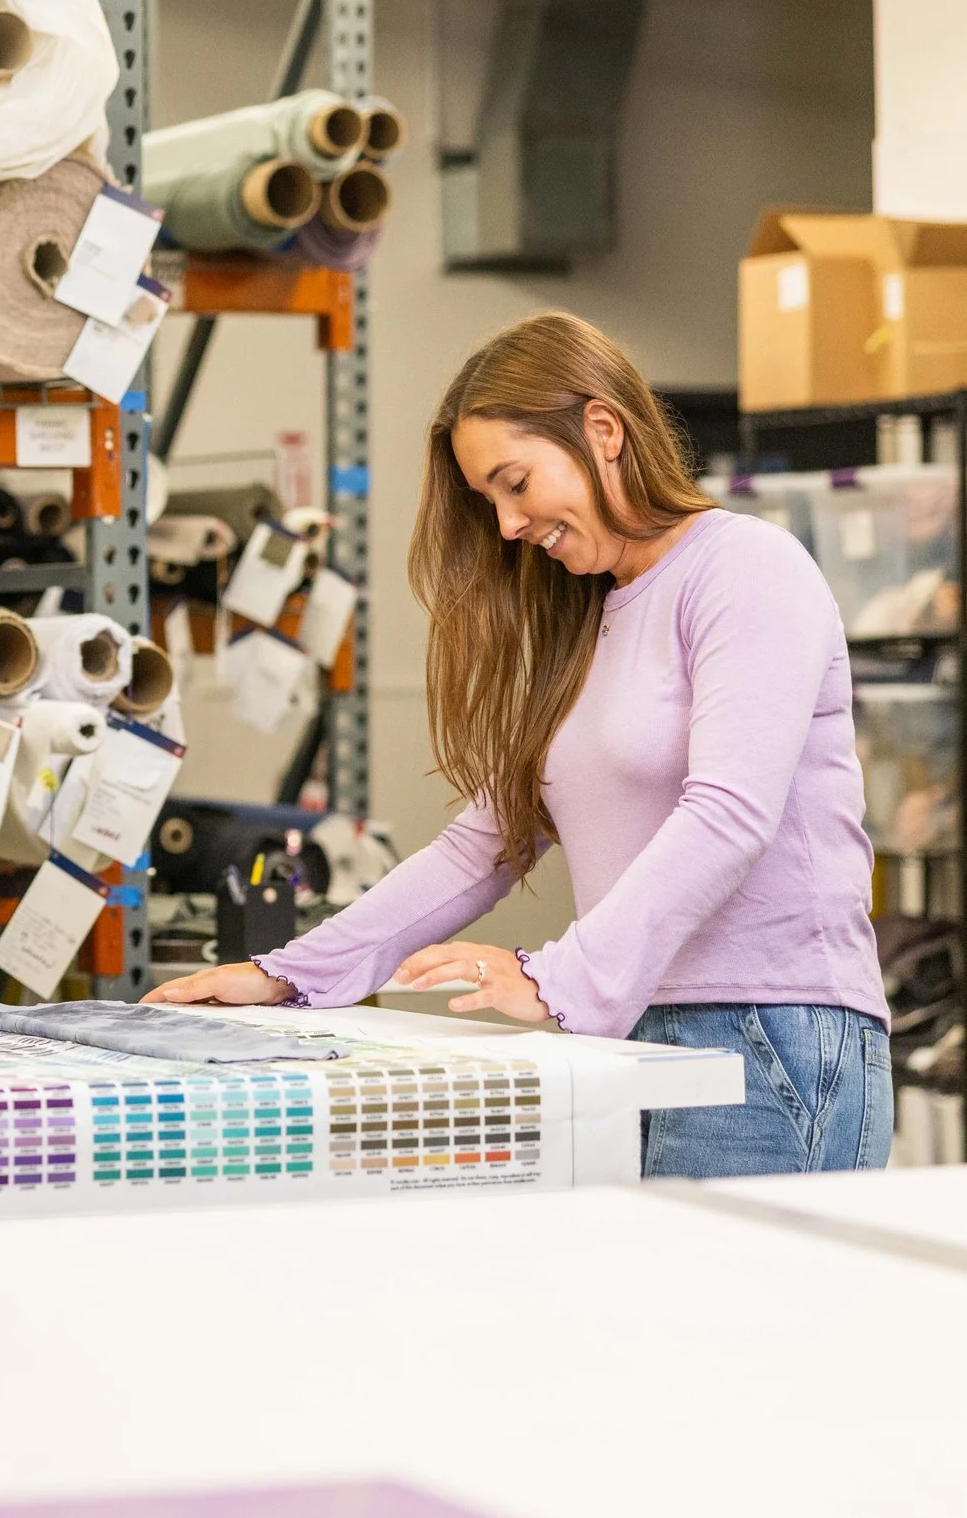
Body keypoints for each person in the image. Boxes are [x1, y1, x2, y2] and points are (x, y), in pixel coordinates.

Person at [146, 311, 891, 1177]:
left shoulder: (746, 569)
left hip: (771, 1035)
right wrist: (291, 975)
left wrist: (559, 977)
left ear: (603, 431)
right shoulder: (588, 619)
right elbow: (481, 845)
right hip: (637, 1034)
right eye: (488, 500)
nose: (505, 524)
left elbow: (730, 813)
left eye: (515, 483)